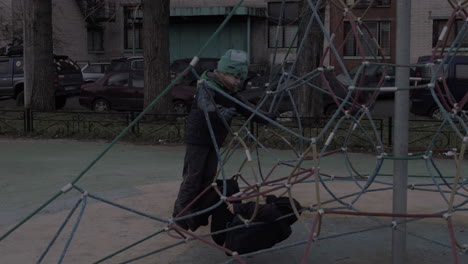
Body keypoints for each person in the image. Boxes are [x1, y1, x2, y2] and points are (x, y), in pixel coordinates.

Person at [172, 49, 276, 231]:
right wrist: (220, 112)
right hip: (198, 137)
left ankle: (196, 215)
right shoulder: (207, 84)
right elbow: (206, 105)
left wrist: (267, 117)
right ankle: (179, 217)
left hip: (214, 139)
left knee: (208, 178)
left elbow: (247, 108)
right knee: (192, 178)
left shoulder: (230, 91)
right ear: (224, 72)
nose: (238, 81)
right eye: (235, 77)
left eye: (240, 78)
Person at [214, 195, 302, 255]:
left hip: (229, 237)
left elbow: (254, 208)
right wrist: (270, 198)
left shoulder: (270, 212)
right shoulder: (287, 232)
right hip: (241, 249)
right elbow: (275, 212)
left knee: (225, 200)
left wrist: (236, 207)